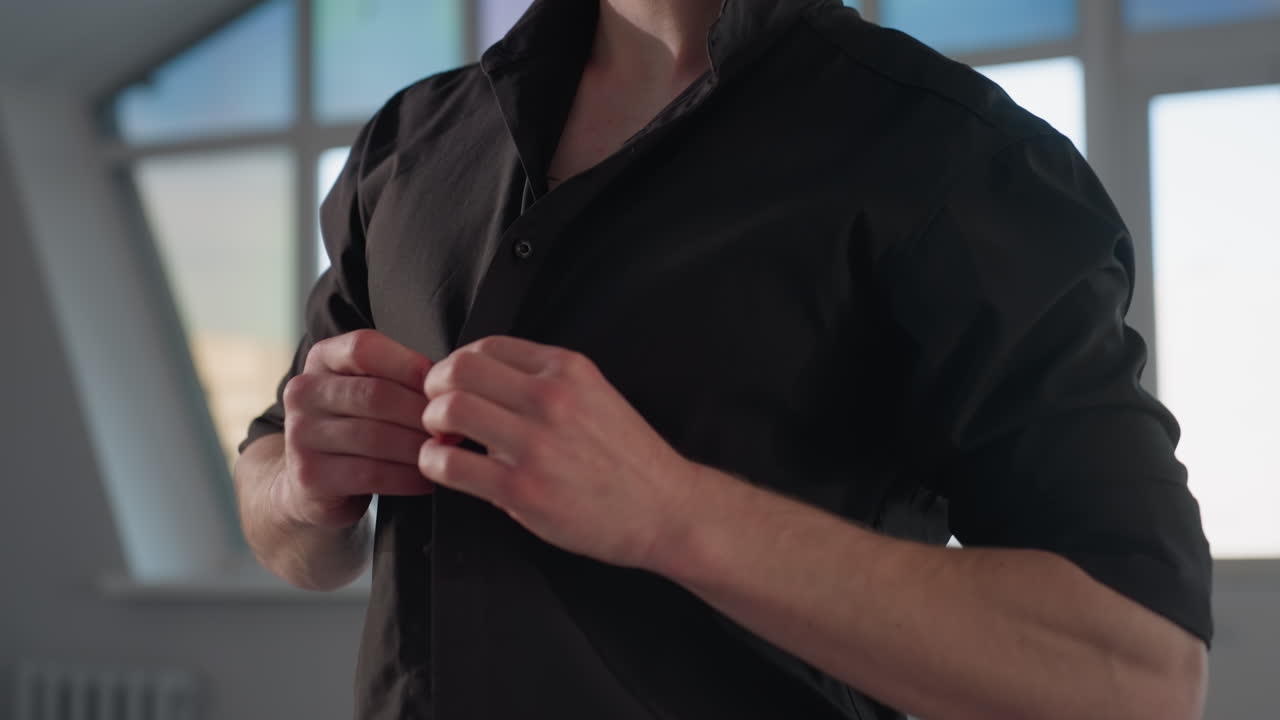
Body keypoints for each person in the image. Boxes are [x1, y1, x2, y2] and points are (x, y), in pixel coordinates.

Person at [232, 0, 1213, 718]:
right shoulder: (407, 144)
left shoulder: (956, 161)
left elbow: (1135, 674)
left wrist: (671, 513)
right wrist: (298, 494)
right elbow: (284, 508)